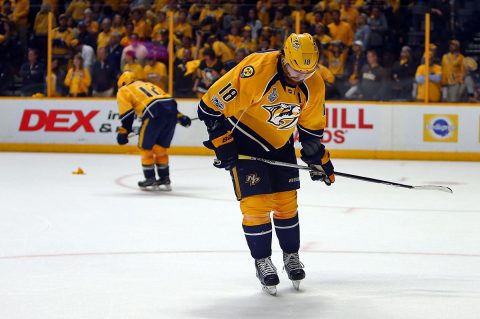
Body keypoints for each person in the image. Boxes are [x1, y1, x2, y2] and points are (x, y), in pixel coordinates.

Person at [197, 33, 334, 295]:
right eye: (295, 69)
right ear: (284, 57)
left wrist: (319, 159)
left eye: (308, 70)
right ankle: (262, 261)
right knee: (257, 206)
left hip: (280, 143)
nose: (300, 76)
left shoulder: (313, 82)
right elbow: (209, 109)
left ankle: (291, 256)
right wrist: (222, 140)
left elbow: (311, 131)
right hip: (244, 141)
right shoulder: (257, 70)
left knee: (286, 203)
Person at [115, 71, 192, 190]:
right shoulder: (149, 85)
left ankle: (150, 178)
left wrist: (124, 131)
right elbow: (166, 103)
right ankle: (164, 178)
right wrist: (180, 117)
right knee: (160, 148)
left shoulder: (124, 90)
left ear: (122, 82)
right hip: (171, 108)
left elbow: (127, 115)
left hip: (153, 113)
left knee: (146, 147)